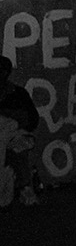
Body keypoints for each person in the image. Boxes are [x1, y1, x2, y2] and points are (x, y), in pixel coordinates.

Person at [0, 56, 40, 207]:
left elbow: (32, 120)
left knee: (18, 148)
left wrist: (11, 117)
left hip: (13, 136)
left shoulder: (17, 93)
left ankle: (25, 188)